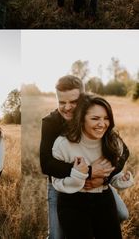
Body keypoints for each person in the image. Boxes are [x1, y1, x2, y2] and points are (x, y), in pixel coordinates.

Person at [40, 75, 129, 239]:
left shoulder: (94, 115)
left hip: (97, 183)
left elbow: (124, 151)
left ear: (83, 99)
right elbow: (46, 164)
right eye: (61, 102)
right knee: (57, 235)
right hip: (61, 180)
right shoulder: (51, 122)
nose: (67, 107)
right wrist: (87, 171)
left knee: (122, 214)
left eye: (73, 102)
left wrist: (104, 176)